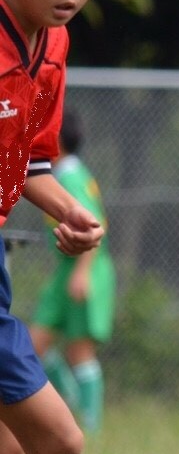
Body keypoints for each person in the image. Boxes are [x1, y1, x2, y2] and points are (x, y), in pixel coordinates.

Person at [0, 0, 179, 454]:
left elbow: (33, 164)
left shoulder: (51, 43)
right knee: (57, 442)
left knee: (13, 444)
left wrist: (67, 211)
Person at [27, 110, 114, 435]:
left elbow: (96, 224)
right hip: (64, 271)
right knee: (35, 344)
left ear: (57, 140)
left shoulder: (73, 177)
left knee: (80, 350)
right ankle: (69, 402)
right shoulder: (57, 175)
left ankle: (90, 427)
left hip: (84, 269)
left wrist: (82, 272)